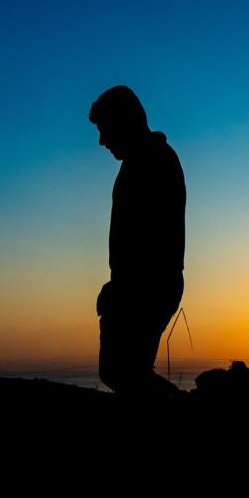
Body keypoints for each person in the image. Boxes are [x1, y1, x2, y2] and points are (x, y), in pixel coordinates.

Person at [89, 86, 186, 399]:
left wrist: (122, 289)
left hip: (148, 286)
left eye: (104, 129)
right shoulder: (142, 160)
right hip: (141, 285)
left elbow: (154, 240)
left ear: (123, 121)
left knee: (123, 372)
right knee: (125, 373)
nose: (102, 140)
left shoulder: (153, 160)